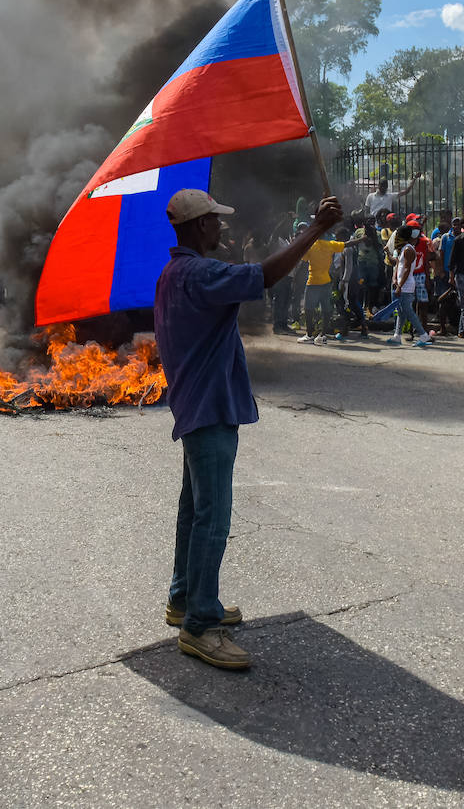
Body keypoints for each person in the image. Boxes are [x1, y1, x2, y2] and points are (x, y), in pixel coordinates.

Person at [155, 188, 343, 669]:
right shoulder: (201, 272)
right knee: (212, 519)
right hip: (211, 409)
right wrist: (316, 229)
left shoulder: (172, 273)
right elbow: (265, 276)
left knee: (193, 509)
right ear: (199, 227)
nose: (222, 227)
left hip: (193, 405)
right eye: (216, 221)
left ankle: (185, 599)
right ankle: (199, 626)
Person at [297, 226, 364, 345]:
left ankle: (309, 335)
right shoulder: (330, 245)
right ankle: (322, 335)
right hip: (326, 281)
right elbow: (347, 244)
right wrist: (361, 239)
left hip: (312, 282)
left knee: (308, 309)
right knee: (326, 309)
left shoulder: (311, 246)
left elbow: (304, 259)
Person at [384, 225, 433, 347]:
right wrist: (395, 279)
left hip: (406, 286)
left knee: (408, 311)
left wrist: (399, 286)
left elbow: (406, 270)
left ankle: (424, 335)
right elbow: (398, 265)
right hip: (402, 284)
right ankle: (397, 335)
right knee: (401, 312)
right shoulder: (404, 249)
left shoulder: (408, 250)